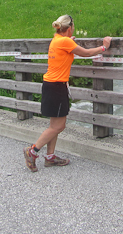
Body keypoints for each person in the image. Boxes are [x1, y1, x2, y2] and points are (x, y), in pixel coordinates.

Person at [23, 14, 112, 172]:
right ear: (69, 28)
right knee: (59, 126)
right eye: (73, 27)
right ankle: (32, 151)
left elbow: (65, 50)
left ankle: (50, 157)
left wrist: (70, 41)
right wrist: (104, 47)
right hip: (57, 87)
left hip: (51, 85)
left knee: (54, 126)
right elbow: (86, 53)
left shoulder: (57, 40)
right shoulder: (65, 42)